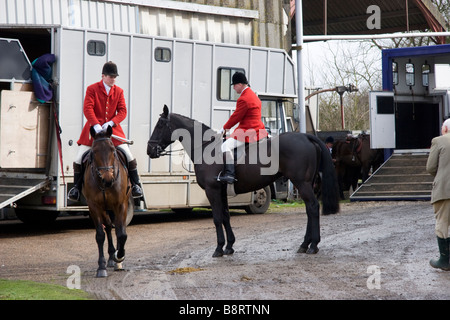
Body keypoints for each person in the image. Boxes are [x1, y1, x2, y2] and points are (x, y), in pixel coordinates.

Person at [68, 61, 143, 201]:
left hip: (113, 132)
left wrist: (112, 122)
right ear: (103, 76)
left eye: (115, 77)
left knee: (129, 155)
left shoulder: (119, 91)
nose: (113, 79)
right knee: (78, 158)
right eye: (110, 76)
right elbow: (87, 108)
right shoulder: (92, 89)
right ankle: (76, 189)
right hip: (93, 133)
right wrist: (95, 124)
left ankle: (136, 186)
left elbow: (123, 111)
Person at [218, 72, 268, 184]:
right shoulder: (253, 95)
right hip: (259, 129)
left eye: (234, 86)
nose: (234, 89)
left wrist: (224, 129)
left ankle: (230, 174)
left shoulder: (244, 99)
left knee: (225, 146)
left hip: (248, 132)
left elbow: (235, 117)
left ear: (240, 84)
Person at [426, 118, 450, 271]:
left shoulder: (439, 141)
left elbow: (430, 167)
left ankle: (444, 260)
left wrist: (441, 176)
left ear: (446, 129)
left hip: (445, 189)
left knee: (442, 222)